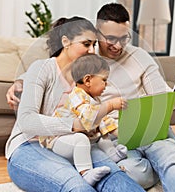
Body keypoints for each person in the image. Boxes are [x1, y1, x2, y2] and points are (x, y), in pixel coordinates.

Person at [7, 4, 175, 191]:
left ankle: (171, 161)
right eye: (109, 38)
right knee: (120, 176)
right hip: (104, 137)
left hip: (135, 130)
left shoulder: (135, 58)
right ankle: (160, 165)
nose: (117, 46)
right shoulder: (83, 63)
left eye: (124, 38)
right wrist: (21, 82)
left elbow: (162, 99)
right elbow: (48, 71)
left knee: (169, 161)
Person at [5, 16, 145, 192]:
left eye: (94, 45)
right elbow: (27, 121)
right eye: (86, 44)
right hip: (30, 145)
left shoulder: (88, 78)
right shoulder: (43, 69)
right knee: (76, 185)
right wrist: (75, 125)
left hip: (78, 145)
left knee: (114, 176)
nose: (92, 50)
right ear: (66, 42)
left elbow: (97, 113)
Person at [40, 54, 128, 186]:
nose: (106, 84)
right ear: (87, 80)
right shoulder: (76, 95)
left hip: (73, 138)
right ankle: (86, 173)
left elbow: (104, 120)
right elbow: (89, 117)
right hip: (57, 140)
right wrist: (110, 105)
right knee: (82, 140)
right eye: (104, 80)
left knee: (102, 136)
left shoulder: (95, 99)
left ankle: (112, 154)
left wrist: (123, 133)